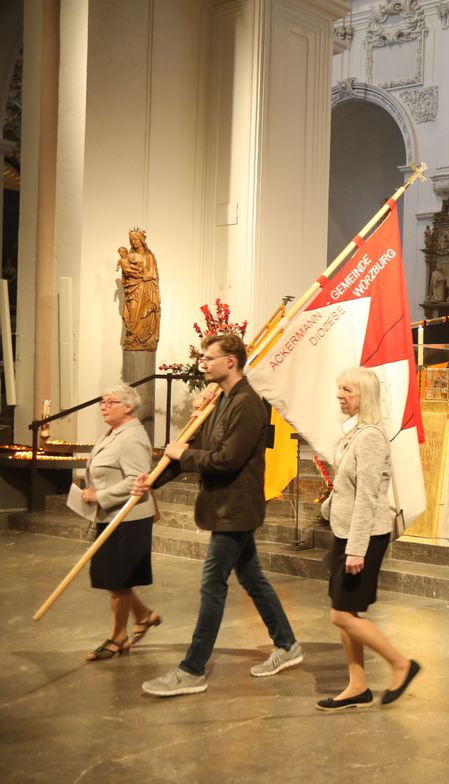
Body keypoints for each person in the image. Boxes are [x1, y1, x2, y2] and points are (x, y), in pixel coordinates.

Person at [137, 333, 302, 697]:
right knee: (253, 578)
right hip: (225, 508)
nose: (203, 364)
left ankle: (193, 669)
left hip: (236, 509)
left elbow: (227, 460)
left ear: (231, 361)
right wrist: (153, 481)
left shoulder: (247, 403)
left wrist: (182, 455)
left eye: (209, 358)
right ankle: (287, 644)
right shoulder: (220, 402)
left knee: (213, 585)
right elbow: (193, 449)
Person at [314, 367, 420, 711]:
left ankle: (402, 665)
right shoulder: (356, 432)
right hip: (347, 532)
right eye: (339, 388)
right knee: (345, 610)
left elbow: (369, 496)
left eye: (347, 390)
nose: (340, 395)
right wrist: (331, 506)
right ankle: (357, 685)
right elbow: (349, 487)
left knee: (341, 615)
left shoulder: (371, 436)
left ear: (365, 396)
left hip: (363, 538)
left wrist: (356, 549)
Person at [81, 384, 160, 662]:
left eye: (110, 402)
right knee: (114, 577)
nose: (103, 406)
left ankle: (118, 638)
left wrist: (99, 495)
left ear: (127, 407)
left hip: (129, 518)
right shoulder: (114, 432)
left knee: (117, 579)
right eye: (102, 402)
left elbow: (137, 481)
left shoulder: (132, 437)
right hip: (112, 515)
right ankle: (143, 616)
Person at [116, 228, 161, 351]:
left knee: (144, 314)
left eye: (135, 239)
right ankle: (132, 335)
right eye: (131, 240)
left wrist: (143, 275)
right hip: (132, 289)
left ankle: (142, 338)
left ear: (141, 240)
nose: (133, 242)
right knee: (132, 312)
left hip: (146, 289)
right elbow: (125, 273)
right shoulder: (129, 256)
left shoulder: (149, 256)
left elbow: (153, 275)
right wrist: (124, 279)